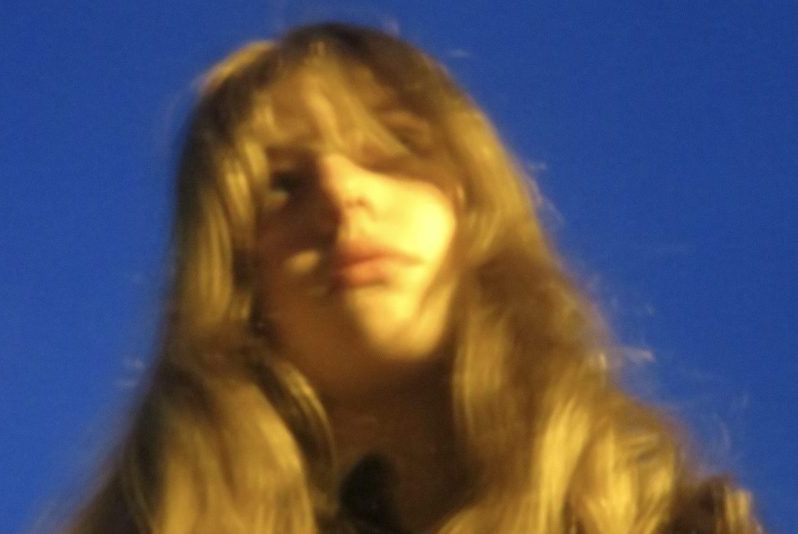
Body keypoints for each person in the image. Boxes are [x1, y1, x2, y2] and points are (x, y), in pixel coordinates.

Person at [65, 22, 761, 533]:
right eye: (281, 185)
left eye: (391, 148)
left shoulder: (666, 521)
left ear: (470, 205)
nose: (341, 197)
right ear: (232, 279)